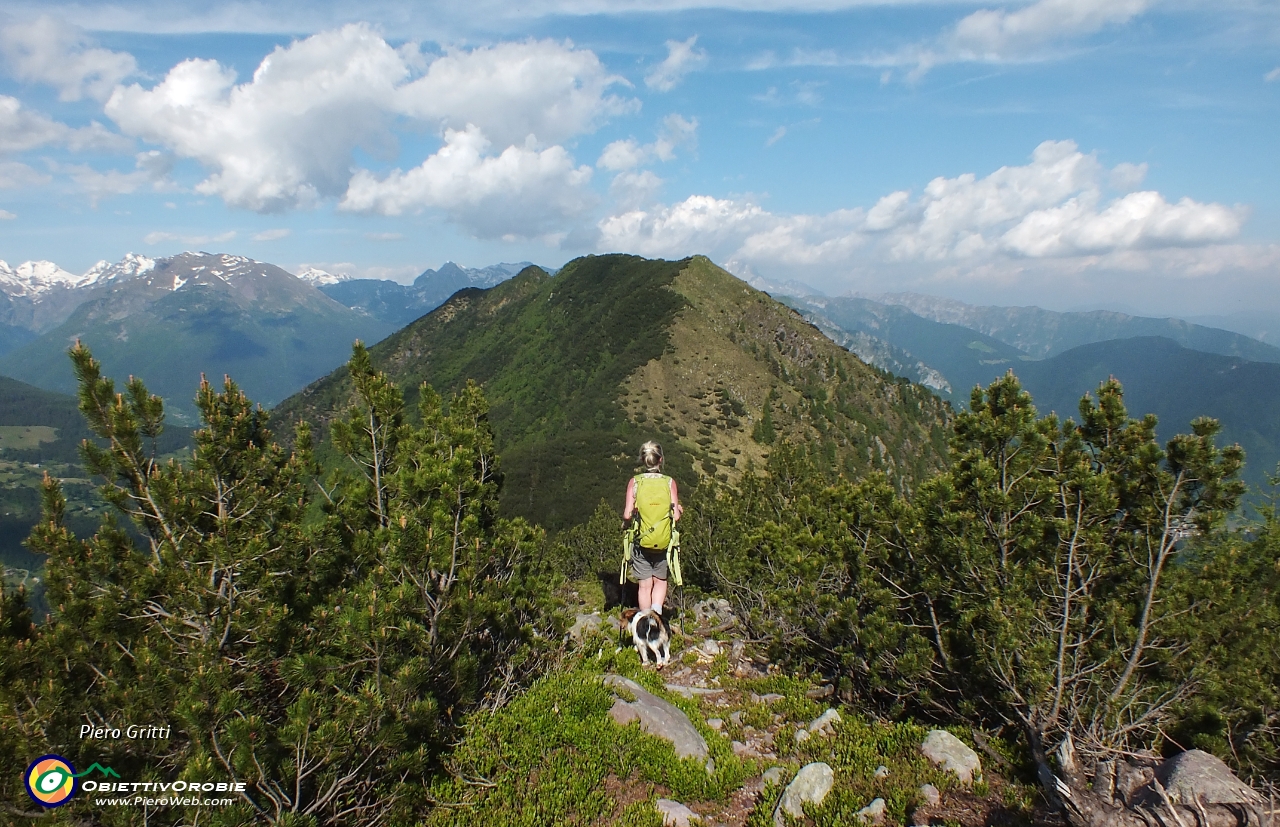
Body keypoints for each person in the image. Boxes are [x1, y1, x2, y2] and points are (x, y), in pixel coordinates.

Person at [622, 441, 682, 615]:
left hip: (642, 542)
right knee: (660, 581)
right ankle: (657, 616)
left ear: (642, 460)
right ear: (660, 460)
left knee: (644, 585)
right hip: (663, 543)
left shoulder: (635, 482)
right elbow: (675, 517)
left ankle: (645, 620)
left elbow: (627, 515)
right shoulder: (669, 482)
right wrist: (678, 510)